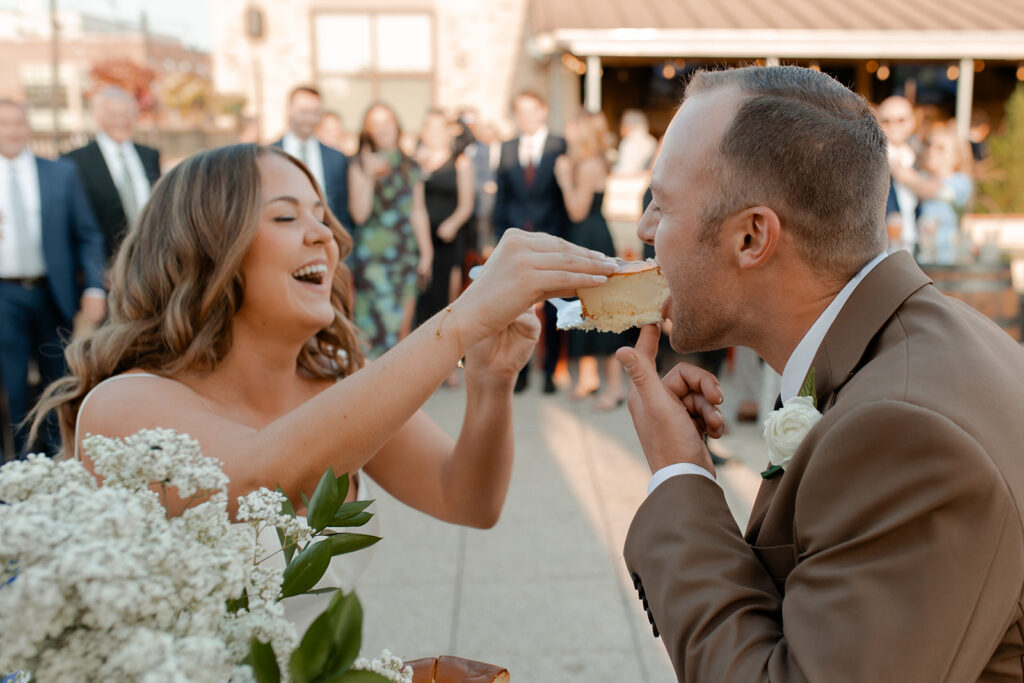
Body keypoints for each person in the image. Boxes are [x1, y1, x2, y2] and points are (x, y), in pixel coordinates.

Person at [30, 143, 617, 626]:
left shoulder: (333, 383)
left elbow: (467, 499)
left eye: (322, 216)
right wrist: (461, 320)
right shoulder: (125, 404)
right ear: (206, 250)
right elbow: (260, 478)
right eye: (286, 217)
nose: (325, 237)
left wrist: (491, 383)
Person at [618, 65, 1024, 680]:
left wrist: (678, 477)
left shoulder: (902, 434)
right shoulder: (918, 339)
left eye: (661, 204)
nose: (645, 229)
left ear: (753, 237)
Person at [0, 99, 106, 457]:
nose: (10, 131)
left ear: (28, 127)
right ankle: (19, 469)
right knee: (11, 386)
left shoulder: (61, 172)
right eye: (3, 124)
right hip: (3, 295)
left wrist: (94, 286)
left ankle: (59, 463)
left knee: (58, 383)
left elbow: (88, 233)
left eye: (17, 123)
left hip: (52, 293)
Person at [493, 91, 569, 394]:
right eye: (519, 112)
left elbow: (563, 198)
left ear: (543, 112)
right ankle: (521, 373)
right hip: (516, 240)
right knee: (518, 306)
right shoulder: (508, 147)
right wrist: (499, 239)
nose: (525, 118)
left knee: (553, 306)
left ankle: (550, 372)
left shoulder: (559, 145)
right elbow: (502, 197)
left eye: (530, 111)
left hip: (552, 236)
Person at [348, 103, 433, 358]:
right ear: (368, 132)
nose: (383, 128)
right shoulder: (358, 166)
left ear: (397, 124)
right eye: (375, 124)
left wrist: (427, 253)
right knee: (370, 331)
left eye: (387, 121)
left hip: (404, 255)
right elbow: (359, 215)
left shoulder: (411, 166)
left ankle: (398, 391)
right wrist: (370, 177)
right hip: (372, 261)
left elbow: (418, 211)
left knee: (401, 332)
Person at [554, 111, 625, 410]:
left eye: (572, 126)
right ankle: (588, 378)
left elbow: (576, 210)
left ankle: (615, 388)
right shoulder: (594, 161)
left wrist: (562, 179)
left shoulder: (587, 165)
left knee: (602, 311)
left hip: (589, 235)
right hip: (593, 235)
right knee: (585, 308)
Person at [63, 86, 161, 263]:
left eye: (127, 114)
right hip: (104, 268)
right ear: (98, 117)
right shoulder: (75, 161)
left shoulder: (150, 155)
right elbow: (73, 222)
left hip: (150, 262)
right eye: (113, 115)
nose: (121, 121)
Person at [414, 109, 475, 335]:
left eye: (439, 127)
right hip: (420, 238)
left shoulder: (460, 161)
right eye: (429, 127)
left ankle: (450, 362)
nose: (434, 133)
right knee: (423, 299)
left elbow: (467, 203)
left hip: (447, 238)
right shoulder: (417, 161)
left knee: (447, 301)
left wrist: (453, 224)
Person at [272, 86, 353, 234]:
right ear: (290, 110)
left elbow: (342, 210)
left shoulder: (337, 158)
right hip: (283, 240)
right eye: (303, 112)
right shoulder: (269, 156)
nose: (309, 118)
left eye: (315, 112)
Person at [891, 124, 974, 264]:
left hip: (949, 260)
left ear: (956, 157)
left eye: (940, 148)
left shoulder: (961, 182)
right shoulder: (921, 176)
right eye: (929, 145)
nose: (931, 151)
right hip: (921, 257)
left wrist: (896, 167)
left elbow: (931, 189)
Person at [876, 95, 920, 255]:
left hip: (915, 248)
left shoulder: (919, 157)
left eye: (901, 120)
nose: (894, 126)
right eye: (886, 121)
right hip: (884, 250)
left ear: (913, 122)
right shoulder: (872, 160)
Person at [612, 109, 657, 174]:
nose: (620, 128)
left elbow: (625, 170)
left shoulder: (629, 142)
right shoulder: (652, 140)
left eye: (622, 124)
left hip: (631, 181)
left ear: (628, 125)